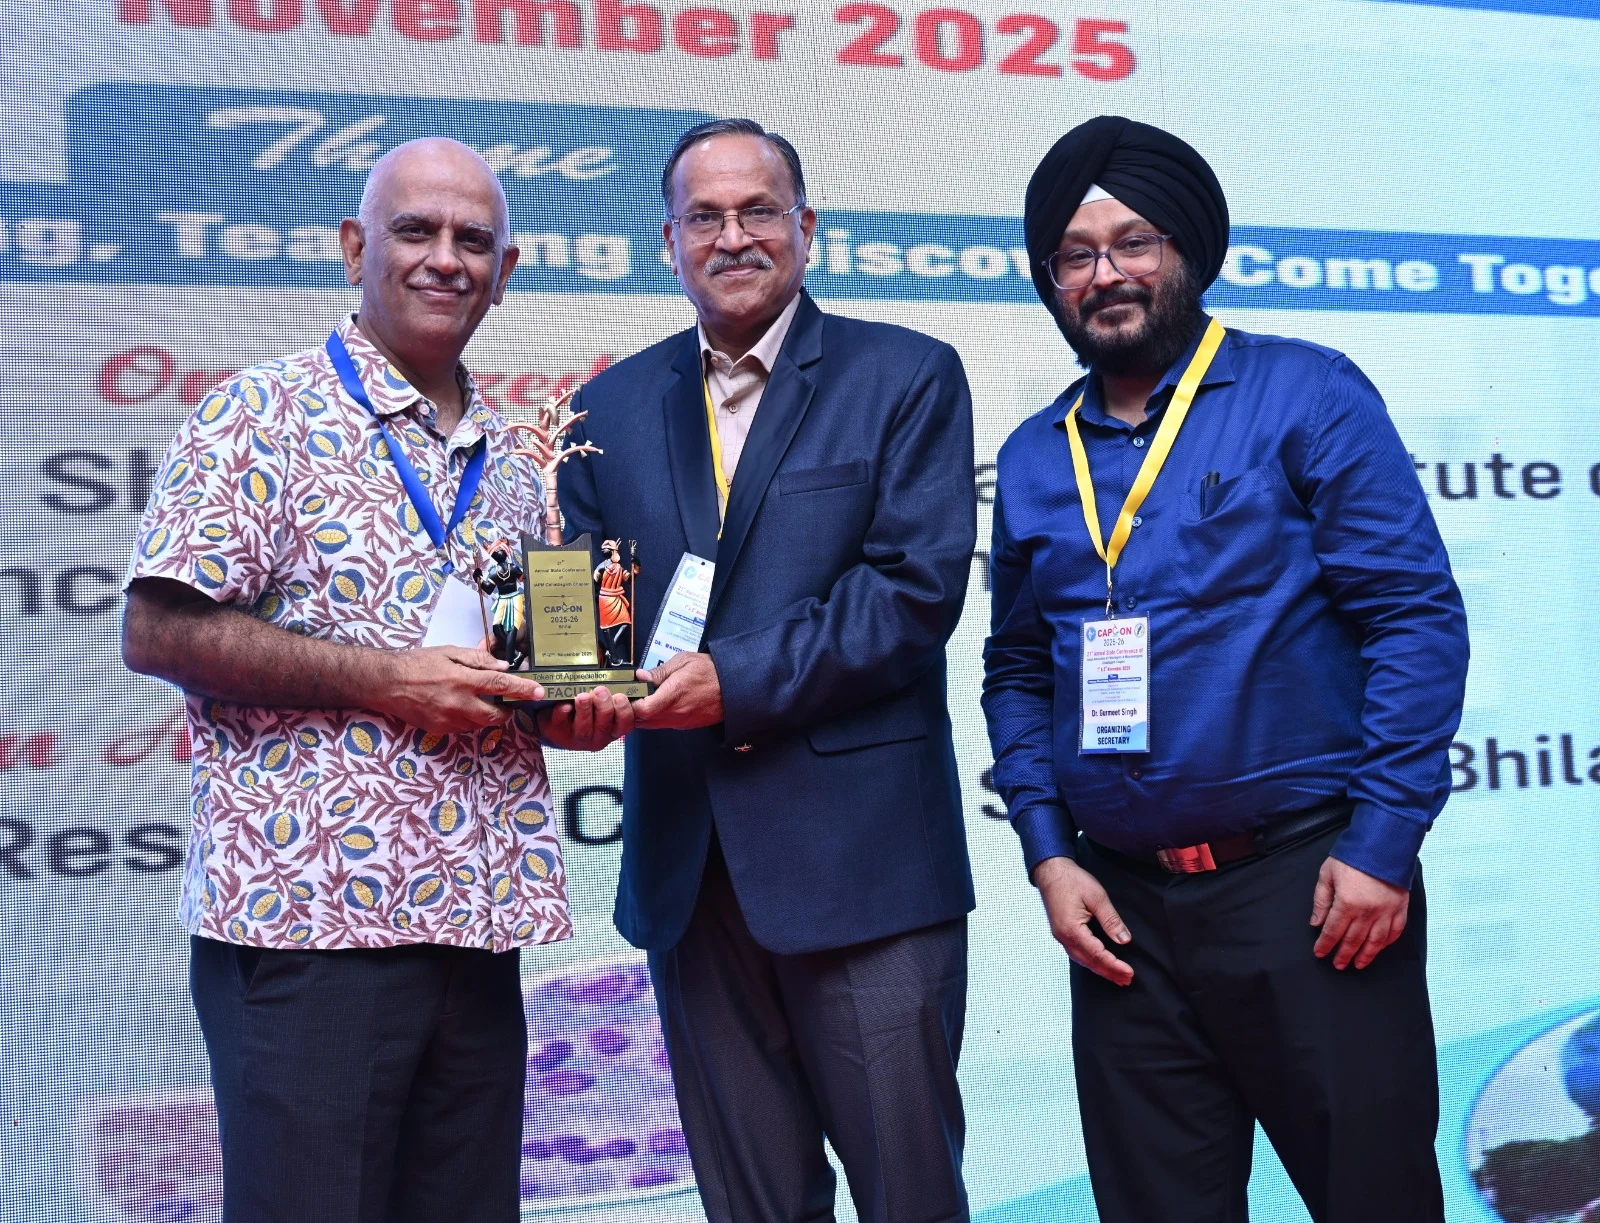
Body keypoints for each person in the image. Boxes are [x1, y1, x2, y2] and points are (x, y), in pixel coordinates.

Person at [121, 137, 631, 1223]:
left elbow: (535, 671)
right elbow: (157, 628)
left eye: (473, 240)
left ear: (505, 271)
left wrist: (577, 708)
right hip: (310, 930)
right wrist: (384, 679)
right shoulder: (260, 412)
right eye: (415, 230)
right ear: (356, 248)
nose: (445, 258)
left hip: (475, 927)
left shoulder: (522, 461)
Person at [982, 115, 1470, 1223]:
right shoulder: (1033, 456)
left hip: (1312, 892)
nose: (1105, 274)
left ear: (1187, 252)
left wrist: (1382, 845)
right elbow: (1017, 669)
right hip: (1121, 916)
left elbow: (1413, 620)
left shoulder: (1307, 393)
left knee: (1373, 1199)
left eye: (1133, 242)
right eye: (1074, 255)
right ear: (1051, 280)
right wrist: (1048, 852)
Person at [556, 118, 977, 1223]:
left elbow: (910, 594)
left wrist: (730, 680)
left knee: (910, 1199)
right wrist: (557, 686)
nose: (732, 236)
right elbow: (584, 620)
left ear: (807, 225)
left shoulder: (906, 375)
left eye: (757, 210)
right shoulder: (602, 409)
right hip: (689, 876)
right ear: (668, 240)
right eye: (704, 216)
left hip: (867, 873)